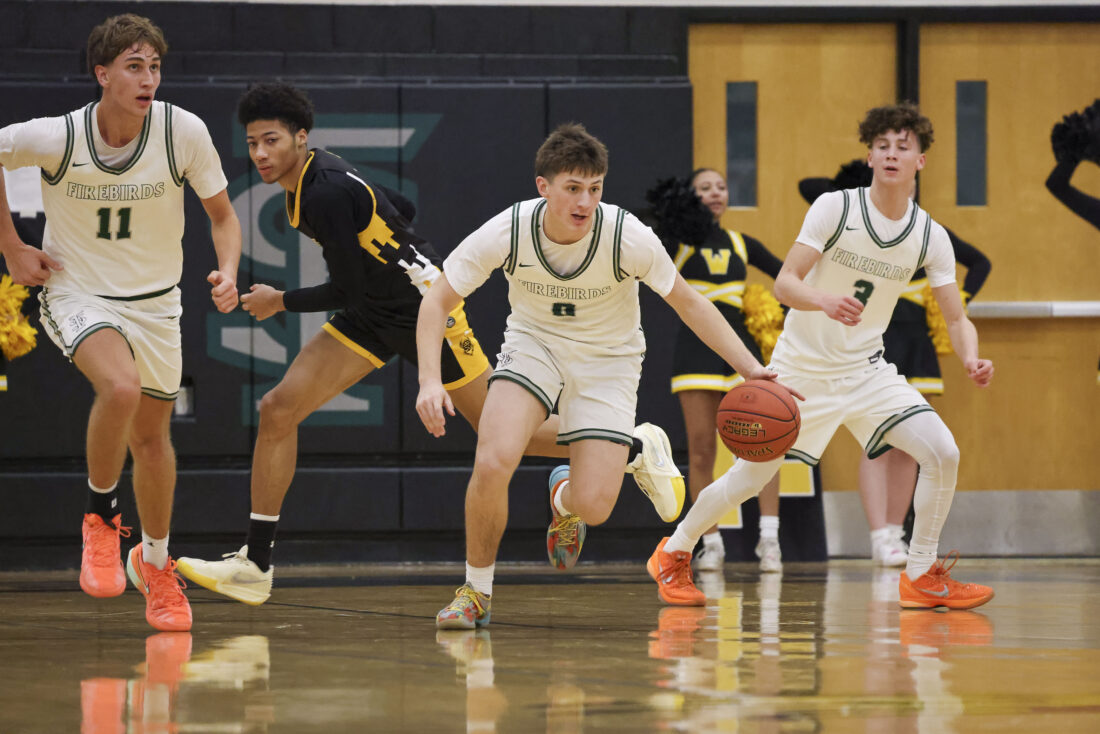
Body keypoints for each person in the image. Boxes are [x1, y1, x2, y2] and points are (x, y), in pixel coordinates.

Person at [175, 87, 681, 606]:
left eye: (271, 140)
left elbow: (346, 287)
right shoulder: (319, 176)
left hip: (419, 307)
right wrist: (393, 246)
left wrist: (279, 300)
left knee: (501, 435)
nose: (260, 153)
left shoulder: (324, 191)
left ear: (300, 139)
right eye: (252, 143)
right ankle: (256, 563)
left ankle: (632, 446)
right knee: (278, 408)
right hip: (372, 312)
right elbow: (401, 208)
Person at [417, 122, 787, 629]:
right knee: (494, 454)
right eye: (573, 188)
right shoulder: (509, 229)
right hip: (533, 345)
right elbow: (437, 300)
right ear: (543, 187)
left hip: (608, 359)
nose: (585, 201)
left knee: (593, 505)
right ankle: (474, 592)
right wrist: (429, 380)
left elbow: (689, 302)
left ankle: (572, 492)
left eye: (595, 188)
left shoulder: (626, 235)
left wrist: (752, 370)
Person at [648, 103, 995, 611]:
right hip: (802, 370)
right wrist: (825, 300)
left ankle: (921, 573)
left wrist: (971, 358)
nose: (891, 154)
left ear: (920, 160)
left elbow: (957, 317)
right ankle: (674, 551)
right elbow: (786, 283)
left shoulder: (929, 235)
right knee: (749, 478)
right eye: (882, 146)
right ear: (870, 156)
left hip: (868, 371)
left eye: (903, 147)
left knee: (943, 452)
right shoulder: (836, 208)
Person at [0, 14, 241, 631]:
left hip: (157, 303)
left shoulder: (182, 131)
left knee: (152, 441)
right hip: (78, 292)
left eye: (155, 66)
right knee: (121, 388)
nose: (148, 79)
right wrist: (11, 245)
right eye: (134, 66)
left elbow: (222, 216)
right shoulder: (58, 136)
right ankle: (101, 518)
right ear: (102, 74)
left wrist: (228, 270)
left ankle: (155, 564)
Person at [799, 160, 991, 566]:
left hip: (917, 339)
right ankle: (878, 536)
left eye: (911, 176)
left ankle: (896, 532)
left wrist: (962, 306)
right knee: (878, 443)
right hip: (876, 337)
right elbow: (809, 186)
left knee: (911, 446)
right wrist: (860, 188)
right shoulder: (854, 221)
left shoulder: (929, 234)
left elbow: (980, 263)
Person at [647, 169, 785, 573]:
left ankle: (770, 540)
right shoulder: (677, 244)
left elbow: (788, 277)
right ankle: (710, 542)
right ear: (689, 196)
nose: (715, 193)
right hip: (695, 352)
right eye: (704, 188)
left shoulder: (742, 243)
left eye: (721, 187)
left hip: (742, 351)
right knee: (702, 448)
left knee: (767, 442)